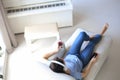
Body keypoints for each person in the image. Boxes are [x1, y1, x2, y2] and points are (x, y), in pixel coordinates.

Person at [43, 23, 109, 80]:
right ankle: (101, 33)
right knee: (91, 44)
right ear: (64, 66)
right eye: (62, 60)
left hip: (71, 53)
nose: (62, 58)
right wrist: (91, 62)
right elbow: (84, 74)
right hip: (82, 60)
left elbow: (44, 57)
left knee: (82, 34)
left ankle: (89, 38)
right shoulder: (71, 74)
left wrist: (55, 51)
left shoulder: (52, 66)